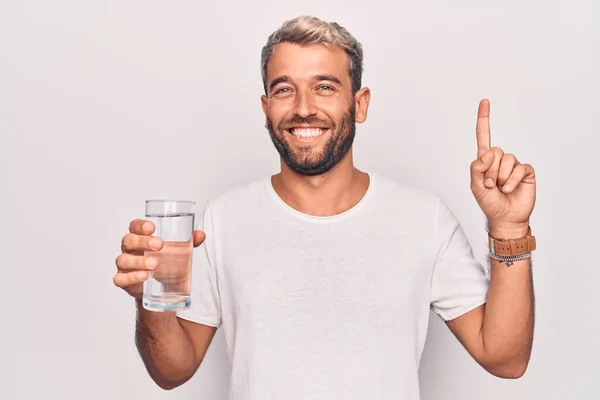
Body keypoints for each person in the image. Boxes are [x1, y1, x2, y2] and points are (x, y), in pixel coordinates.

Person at [114, 15, 537, 399]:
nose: (303, 108)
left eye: (325, 87)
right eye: (284, 89)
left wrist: (510, 228)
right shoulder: (222, 220)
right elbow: (172, 371)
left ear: (360, 103)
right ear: (266, 110)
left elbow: (505, 359)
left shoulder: (423, 218)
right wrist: (146, 298)